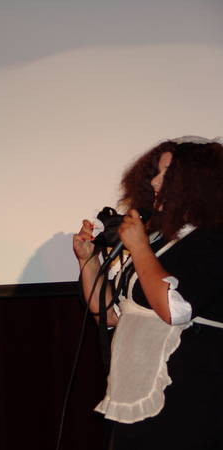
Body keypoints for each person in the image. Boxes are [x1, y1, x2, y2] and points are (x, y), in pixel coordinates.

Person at [73, 136, 223, 449]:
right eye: (155, 173)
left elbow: (175, 309)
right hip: (138, 390)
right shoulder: (160, 241)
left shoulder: (212, 239)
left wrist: (139, 247)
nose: (154, 181)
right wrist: (88, 261)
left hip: (189, 397)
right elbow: (111, 316)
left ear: (197, 182)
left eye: (166, 174)